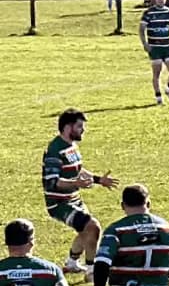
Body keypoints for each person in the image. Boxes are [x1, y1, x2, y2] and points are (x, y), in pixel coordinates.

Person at [42, 108, 118, 276]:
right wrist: (75, 183)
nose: (83, 129)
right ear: (68, 128)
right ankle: (92, 272)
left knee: (86, 230)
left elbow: (78, 169)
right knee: (93, 227)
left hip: (73, 199)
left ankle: (71, 263)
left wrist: (99, 180)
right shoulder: (55, 151)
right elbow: (52, 183)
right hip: (59, 204)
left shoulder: (72, 146)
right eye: (79, 126)